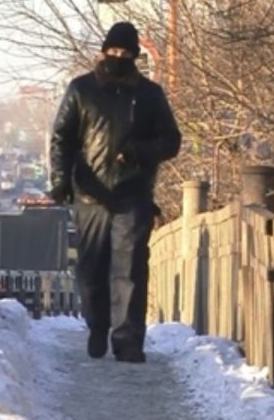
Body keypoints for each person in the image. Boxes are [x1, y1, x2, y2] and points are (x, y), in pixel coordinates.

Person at [49, 22, 182, 363]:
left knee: (130, 269)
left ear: (135, 56)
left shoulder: (150, 95)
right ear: (103, 52)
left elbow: (171, 141)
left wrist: (139, 152)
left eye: (125, 54)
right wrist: (61, 181)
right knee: (92, 270)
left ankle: (128, 340)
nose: (118, 58)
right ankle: (97, 325)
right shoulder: (82, 90)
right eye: (113, 52)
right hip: (90, 196)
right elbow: (62, 138)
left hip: (133, 194)